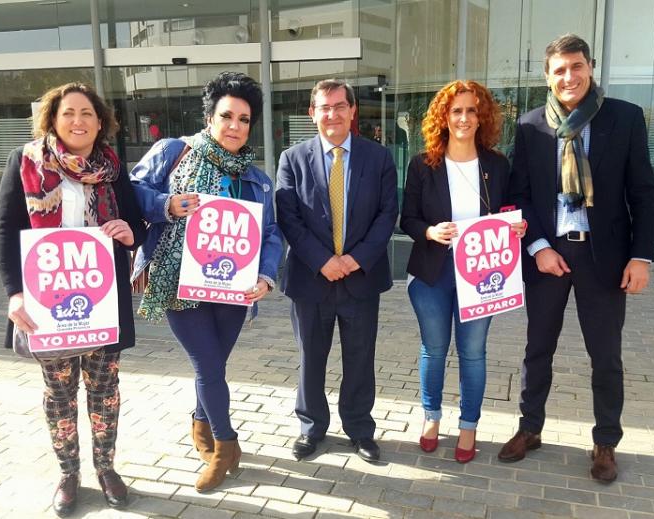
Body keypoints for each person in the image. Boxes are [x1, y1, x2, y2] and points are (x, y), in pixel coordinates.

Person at [500, 34, 654, 482]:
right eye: (559, 70)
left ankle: (606, 440)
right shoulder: (531, 125)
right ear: (547, 77)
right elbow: (519, 196)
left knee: (605, 355)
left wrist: (641, 257)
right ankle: (530, 428)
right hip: (549, 257)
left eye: (576, 66)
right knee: (537, 349)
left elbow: (644, 193)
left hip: (604, 259)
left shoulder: (624, 118)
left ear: (590, 66)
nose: (568, 77)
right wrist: (538, 248)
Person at [0, 82, 146, 516]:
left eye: (87, 113)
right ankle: (68, 473)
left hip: (102, 299)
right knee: (59, 393)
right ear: (53, 119)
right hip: (47, 303)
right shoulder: (25, 163)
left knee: (105, 388)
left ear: (101, 122)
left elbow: (136, 222)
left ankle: (106, 467)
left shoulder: (113, 167)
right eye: (68, 113)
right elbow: (6, 232)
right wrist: (14, 294)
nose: (77, 121)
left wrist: (130, 232)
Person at [130, 72, 282, 492]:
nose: (235, 126)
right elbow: (131, 191)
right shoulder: (173, 152)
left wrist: (267, 277)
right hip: (179, 282)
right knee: (208, 365)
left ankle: (200, 418)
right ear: (210, 117)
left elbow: (270, 233)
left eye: (245, 119)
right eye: (227, 116)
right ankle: (225, 446)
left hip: (233, 288)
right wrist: (166, 204)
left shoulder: (257, 179)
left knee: (213, 364)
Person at [400, 80, 526, 463]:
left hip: (482, 277)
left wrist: (516, 226)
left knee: (473, 352)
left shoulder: (497, 164)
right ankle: (431, 418)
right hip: (432, 273)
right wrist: (429, 231)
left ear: (481, 116)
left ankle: (469, 425)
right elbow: (407, 218)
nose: (464, 118)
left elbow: (509, 210)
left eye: (472, 110)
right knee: (434, 349)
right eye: (457, 110)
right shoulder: (423, 164)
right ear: (444, 116)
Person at [276, 79, 398, 463]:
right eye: (324, 107)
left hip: (361, 278)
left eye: (339, 106)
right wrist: (324, 261)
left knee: (360, 358)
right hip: (311, 280)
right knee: (311, 357)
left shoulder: (378, 157)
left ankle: (360, 429)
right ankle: (311, 428)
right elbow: (289, 218)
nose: (332, 114)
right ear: (312, 114)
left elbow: (386, 215)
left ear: (352, 110)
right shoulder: (291, 159)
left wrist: (354, 259)